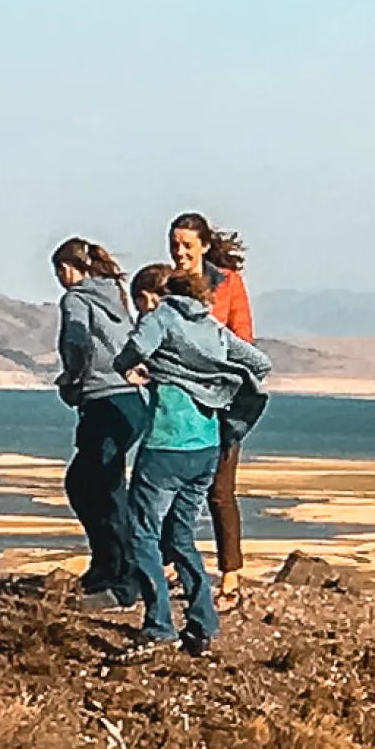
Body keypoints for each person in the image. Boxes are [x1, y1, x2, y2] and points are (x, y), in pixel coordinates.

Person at [109, 263, 272, 662]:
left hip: (166, 444)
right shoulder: (212, 327)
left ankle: (159, 625)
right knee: (180, 537)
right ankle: (201, 622)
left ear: (152, 296)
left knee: (143, 534)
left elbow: (129, 353)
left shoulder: (161, 317)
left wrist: (141, 369)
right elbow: (258, 362)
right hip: (206, 447)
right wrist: (215, 381)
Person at [167, 212, 256, 608]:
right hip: (177, 402)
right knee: (169, 482)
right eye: (175, 245)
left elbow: (244, 339)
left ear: (203, 245)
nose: (180, 252)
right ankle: (172, 564)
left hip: (221, 399)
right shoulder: (166, 285)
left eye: (187, 244)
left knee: (220, 490)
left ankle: (231, 578)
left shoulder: (228, 284)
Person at [51, 238, 144, 609]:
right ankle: (107, 564)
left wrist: (71, 379)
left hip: (103, 397)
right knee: (89, 483)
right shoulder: (115, 294)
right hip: (129, 400)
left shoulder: (76, 298)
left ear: (69, 269)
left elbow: (78, 341)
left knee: (103, 489)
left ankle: (124, 578)